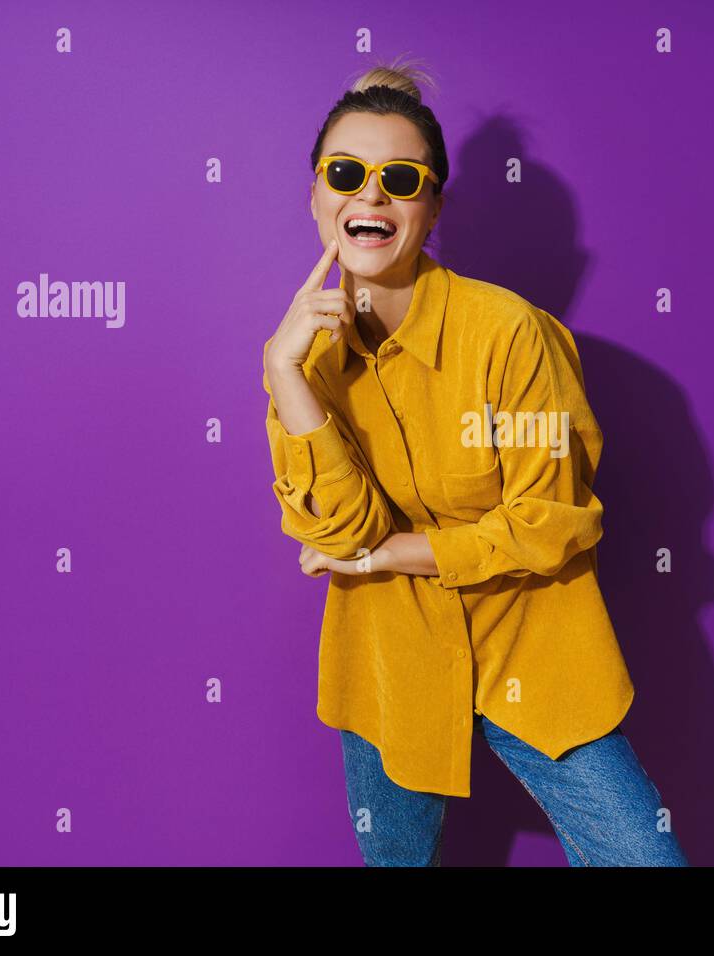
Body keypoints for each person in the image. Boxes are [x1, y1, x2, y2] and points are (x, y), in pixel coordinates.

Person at [263, 55, 687, 867]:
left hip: (536, 647)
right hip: (390, 667)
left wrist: (390, 553)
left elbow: (548, 523)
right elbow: (339, 526)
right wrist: (284, 375)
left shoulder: (510, 334)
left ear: (432, 205)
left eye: (401, 177)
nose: (371, 195)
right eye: (346, 172)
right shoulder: (300, 361)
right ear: (317, 195)